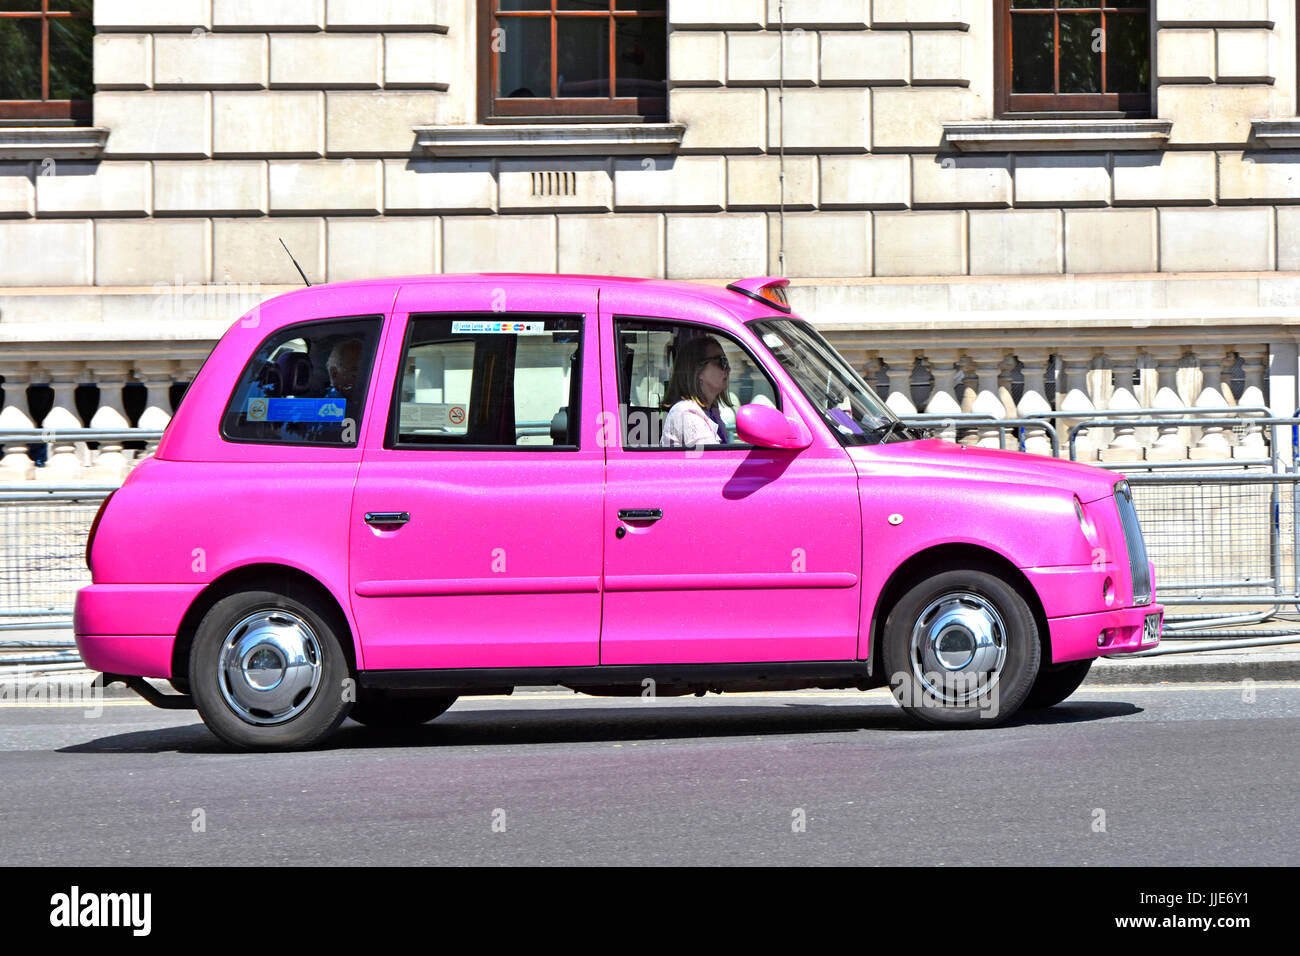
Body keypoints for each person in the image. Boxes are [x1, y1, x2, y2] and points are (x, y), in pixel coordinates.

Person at [660, 335, 732, 447]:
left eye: (726, 362)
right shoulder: (686, 413)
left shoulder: (711, 411)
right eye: (721, 362)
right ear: (698, 370)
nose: (728, 368)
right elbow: (713, 461)